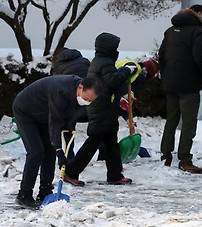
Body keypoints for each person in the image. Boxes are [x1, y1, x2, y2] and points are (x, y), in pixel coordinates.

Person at [12, 75, 98, 209]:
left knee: (49, 152)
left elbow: (69, 117)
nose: (87, 102)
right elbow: (55, 122)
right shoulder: (60, 91)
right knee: (36, 152)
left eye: (90, 101)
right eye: (86, 99)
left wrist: (63, 143)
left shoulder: (76, 92)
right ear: (80, 87)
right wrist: (59, 150)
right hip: (25, 111)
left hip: (43, 114)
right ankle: (24, 195)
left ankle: (45, 191)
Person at [63, 32, 134, 186]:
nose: (117, 50)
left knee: (110, 142)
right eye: (115, 47)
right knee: (94, 141)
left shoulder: (100, 61)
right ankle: (70, 172)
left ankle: (115, 175)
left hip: (104, 107)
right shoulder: (105, 62)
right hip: (101, 108)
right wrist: (127, 70)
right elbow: (113, 80)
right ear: (109, 48)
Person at [158, 5, 202, 173]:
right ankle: (185, 159)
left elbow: (161, 55)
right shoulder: (199, 32)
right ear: (199, 14)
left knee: (172, 119)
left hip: (171, 83)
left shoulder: (170, 31)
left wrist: (166, 75)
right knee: (189, 122)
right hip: (189, 84)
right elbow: (200, 56)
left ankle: (165, 156)